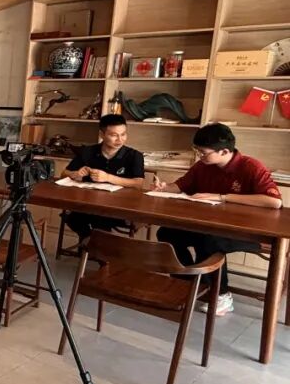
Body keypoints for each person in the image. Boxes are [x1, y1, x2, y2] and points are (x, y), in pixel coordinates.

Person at [153, 123, 283, 315]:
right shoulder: (203, 166)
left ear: (224, 151)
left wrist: (222, 197)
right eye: (197, 151)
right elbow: (181, 186)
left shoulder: (251, 167)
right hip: (212, 225)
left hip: (248, 231)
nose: (199, 156)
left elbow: (274, 202)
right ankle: (188, 283)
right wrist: (164, 188)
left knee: (210, 240)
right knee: (167, 233)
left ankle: (221, 295)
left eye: (203, 152)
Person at [61, 114, 146, 240]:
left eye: (123, 134)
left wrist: (108, 178)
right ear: (102, 134)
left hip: (119, 206)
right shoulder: (88, 151)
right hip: (89, 203)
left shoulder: (134, 156)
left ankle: (94, 244)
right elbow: (64, 173)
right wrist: (75, 174)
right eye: (114, 135)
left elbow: (138, 183)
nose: (120, 140)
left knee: (100, 218)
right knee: (71, 217)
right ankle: (92, 242)